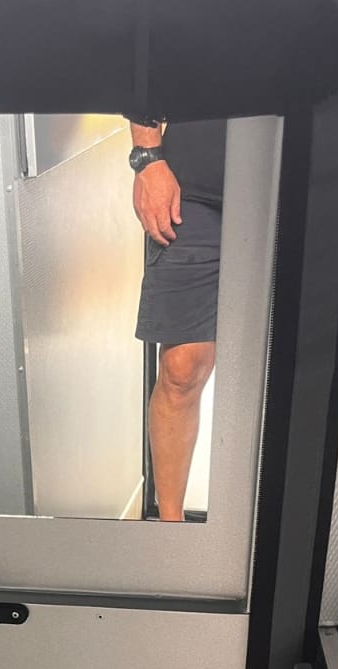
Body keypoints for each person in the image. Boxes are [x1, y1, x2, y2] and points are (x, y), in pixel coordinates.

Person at [128, 117, 226, 521]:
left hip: (314, 176)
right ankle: (171, 531)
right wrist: (148, 159)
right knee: (182, 369)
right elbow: (142, 80)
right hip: (196, 183)